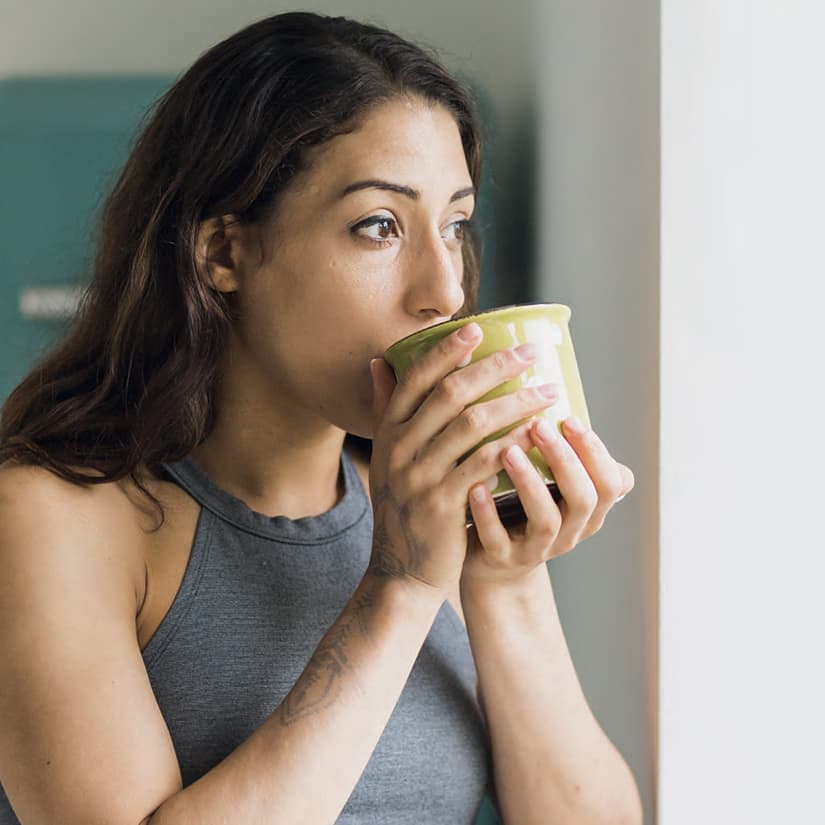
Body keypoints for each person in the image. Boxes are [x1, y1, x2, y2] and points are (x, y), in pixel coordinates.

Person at [0, 11, 641, 825]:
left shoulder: (423, 506)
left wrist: (504, 581)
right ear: (223, 253)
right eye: (379, 225)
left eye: (454, 225)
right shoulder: (53, 514)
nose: (443, 288)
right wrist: (398, 585)